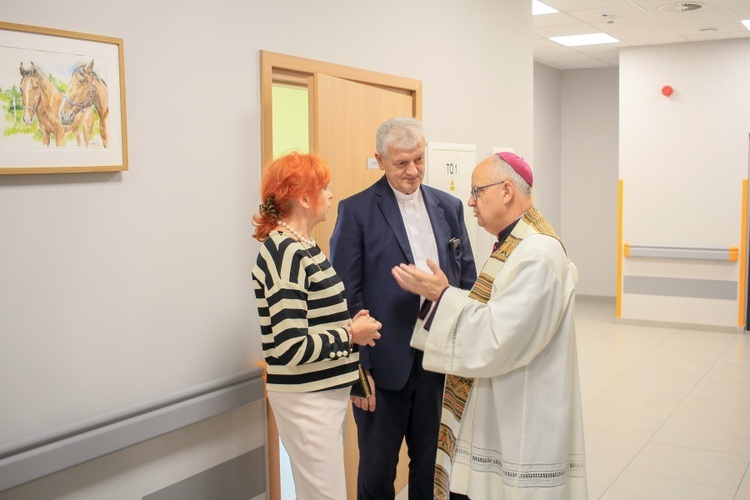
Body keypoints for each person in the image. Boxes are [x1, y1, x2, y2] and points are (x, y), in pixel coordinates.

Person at [392, 152, 588, 500]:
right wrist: (445, 297)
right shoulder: (516, 245)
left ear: (507, 191)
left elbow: (498, 338)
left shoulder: (537, 254)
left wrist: (442, 296)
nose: (470, 201)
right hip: (503, 403)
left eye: (477, 192)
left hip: (522, 415)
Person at [330, 117, 477, 499]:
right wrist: (359, 370)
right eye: (401, 163)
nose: (412, 170)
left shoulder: (449, 206)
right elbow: (347, 295)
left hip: (438, 363)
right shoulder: (357, 211)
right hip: (382, 368)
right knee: (378, 473)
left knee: (430, 468)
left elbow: (465, 278)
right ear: (380, 160)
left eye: (419, 159)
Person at [252, 152, 383, 500]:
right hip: (305, 400)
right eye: (323, 188)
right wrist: (351, 334)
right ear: (304, 197)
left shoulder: (304, 246)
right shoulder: (285, 252)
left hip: (322, 396)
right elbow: (291, 346)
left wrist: (348, 327)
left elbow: (315, 319)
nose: (330, 195)